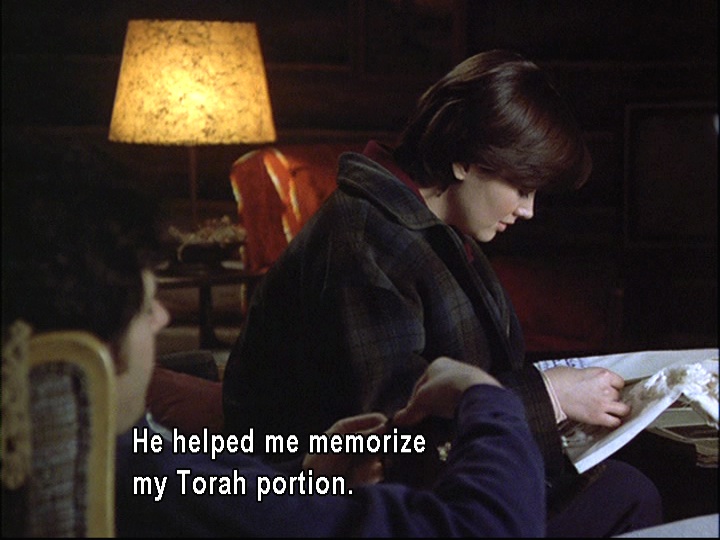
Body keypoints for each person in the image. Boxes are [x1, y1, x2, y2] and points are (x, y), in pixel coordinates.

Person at [222, 49, 663, 536]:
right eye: (521, 187)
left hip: (435, 477)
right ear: (465, 160)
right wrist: (549, 396)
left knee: (631, 478)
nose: (529, 210)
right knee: (628, 494)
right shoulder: (362, 240)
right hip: (354, 503)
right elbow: (392, 432)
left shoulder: (437, 228)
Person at [1, 165, 546, 537]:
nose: (163, 318)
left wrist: (310, 475)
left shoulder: (110, 446)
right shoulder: (139, 474)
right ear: (81, 352)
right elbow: (486, 528)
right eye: (146, 308)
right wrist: (485, 397)